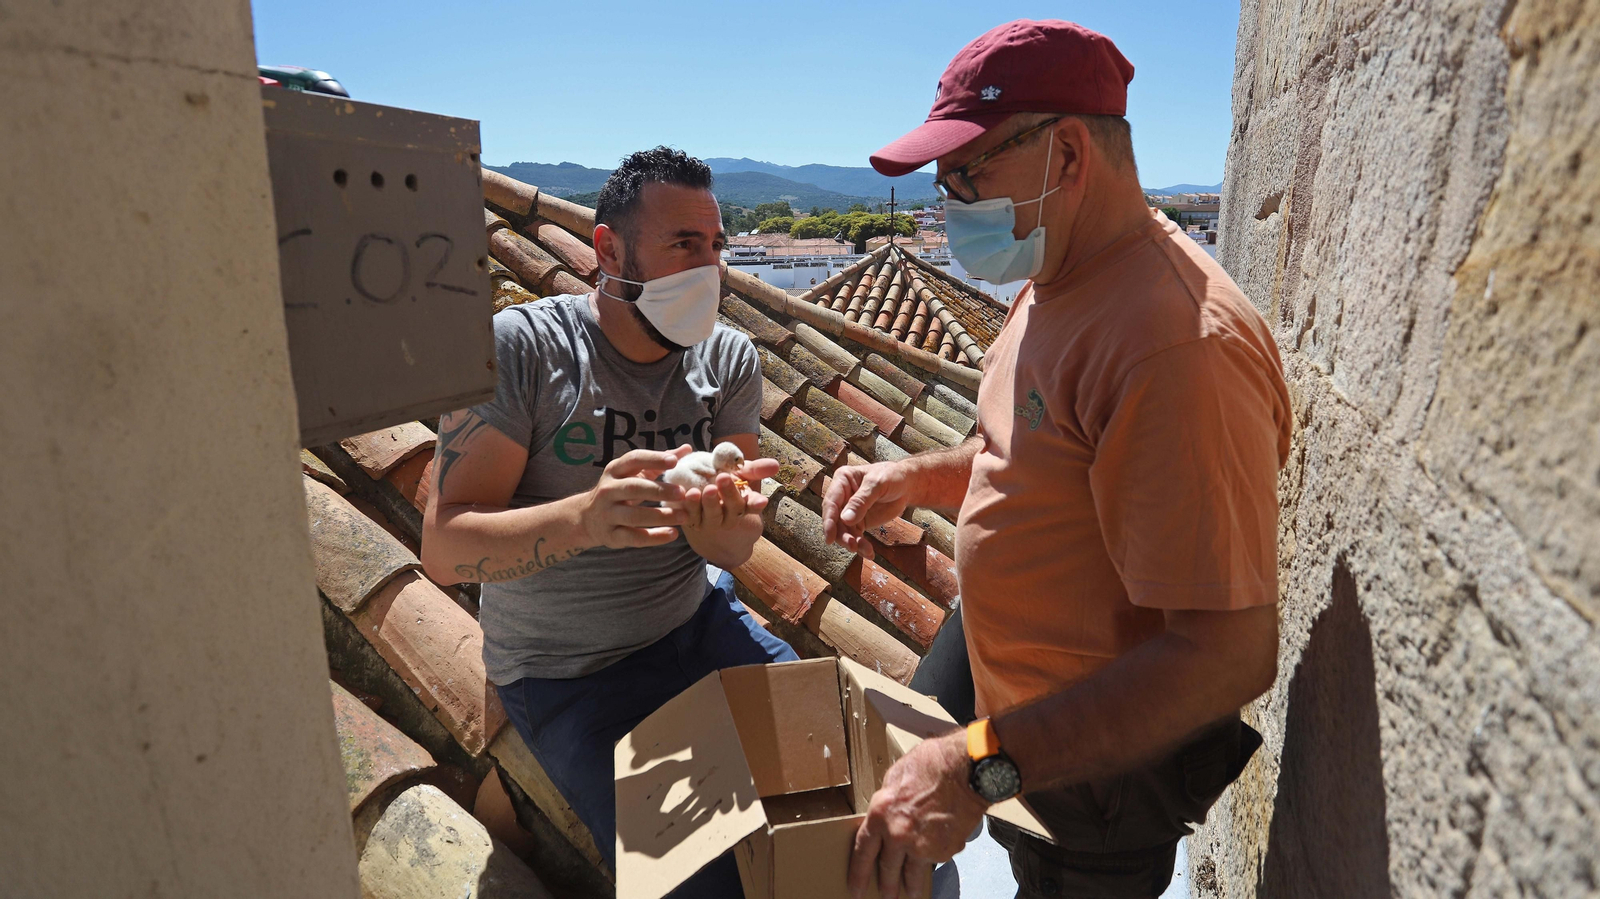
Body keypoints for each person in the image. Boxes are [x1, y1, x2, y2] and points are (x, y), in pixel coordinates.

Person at [824, 20, 1292, 899]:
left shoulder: (1175, 346)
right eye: (943, 179)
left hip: (1096, 779)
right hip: (1018, 712)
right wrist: (915, 480)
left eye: (968, 172)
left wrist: (977, 772)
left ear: (1068, 154)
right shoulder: (1058, 273)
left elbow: (1227, 653)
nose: (949, 200)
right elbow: (1028, 456)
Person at [420, 147, 794, 898]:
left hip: (701, 623)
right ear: (607, 250)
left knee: (854, 794)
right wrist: (587, 520)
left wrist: (723, 523)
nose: (711, 269)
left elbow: (734, 544)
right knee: (706, 883)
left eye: (716, 246)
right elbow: (445, 547)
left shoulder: (729, 360)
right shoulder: (520, 351)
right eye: (684, 244)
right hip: (571, 675)